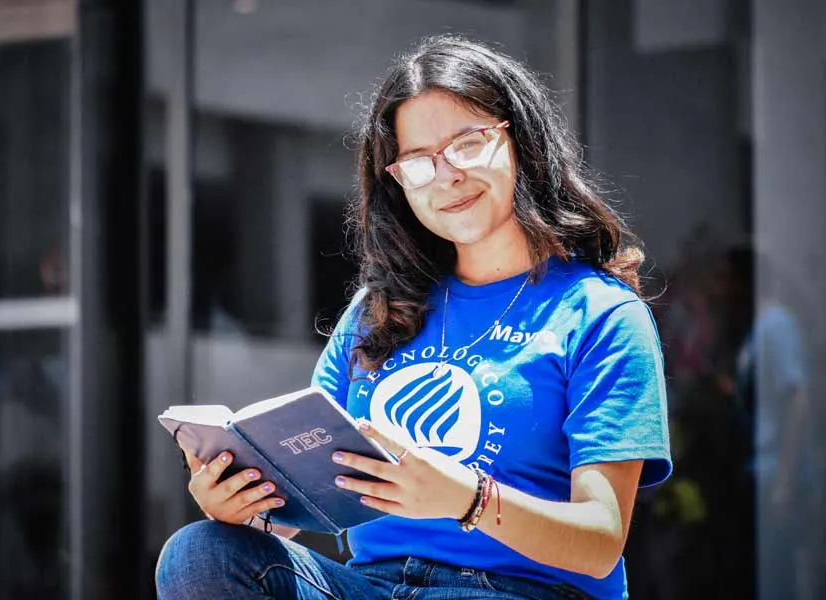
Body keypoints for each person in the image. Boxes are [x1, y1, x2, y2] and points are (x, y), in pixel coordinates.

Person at [156, 34, 671, 600]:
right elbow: (303, 508)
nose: (446, 176)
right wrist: (244, 505)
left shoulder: (598, 313)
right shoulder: (376, 310)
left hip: (518, 591)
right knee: (198, 552)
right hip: (374, 585)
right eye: (419, 162)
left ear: (522, 143)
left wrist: (468, 499)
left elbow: (600, 541)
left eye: (467, 144)